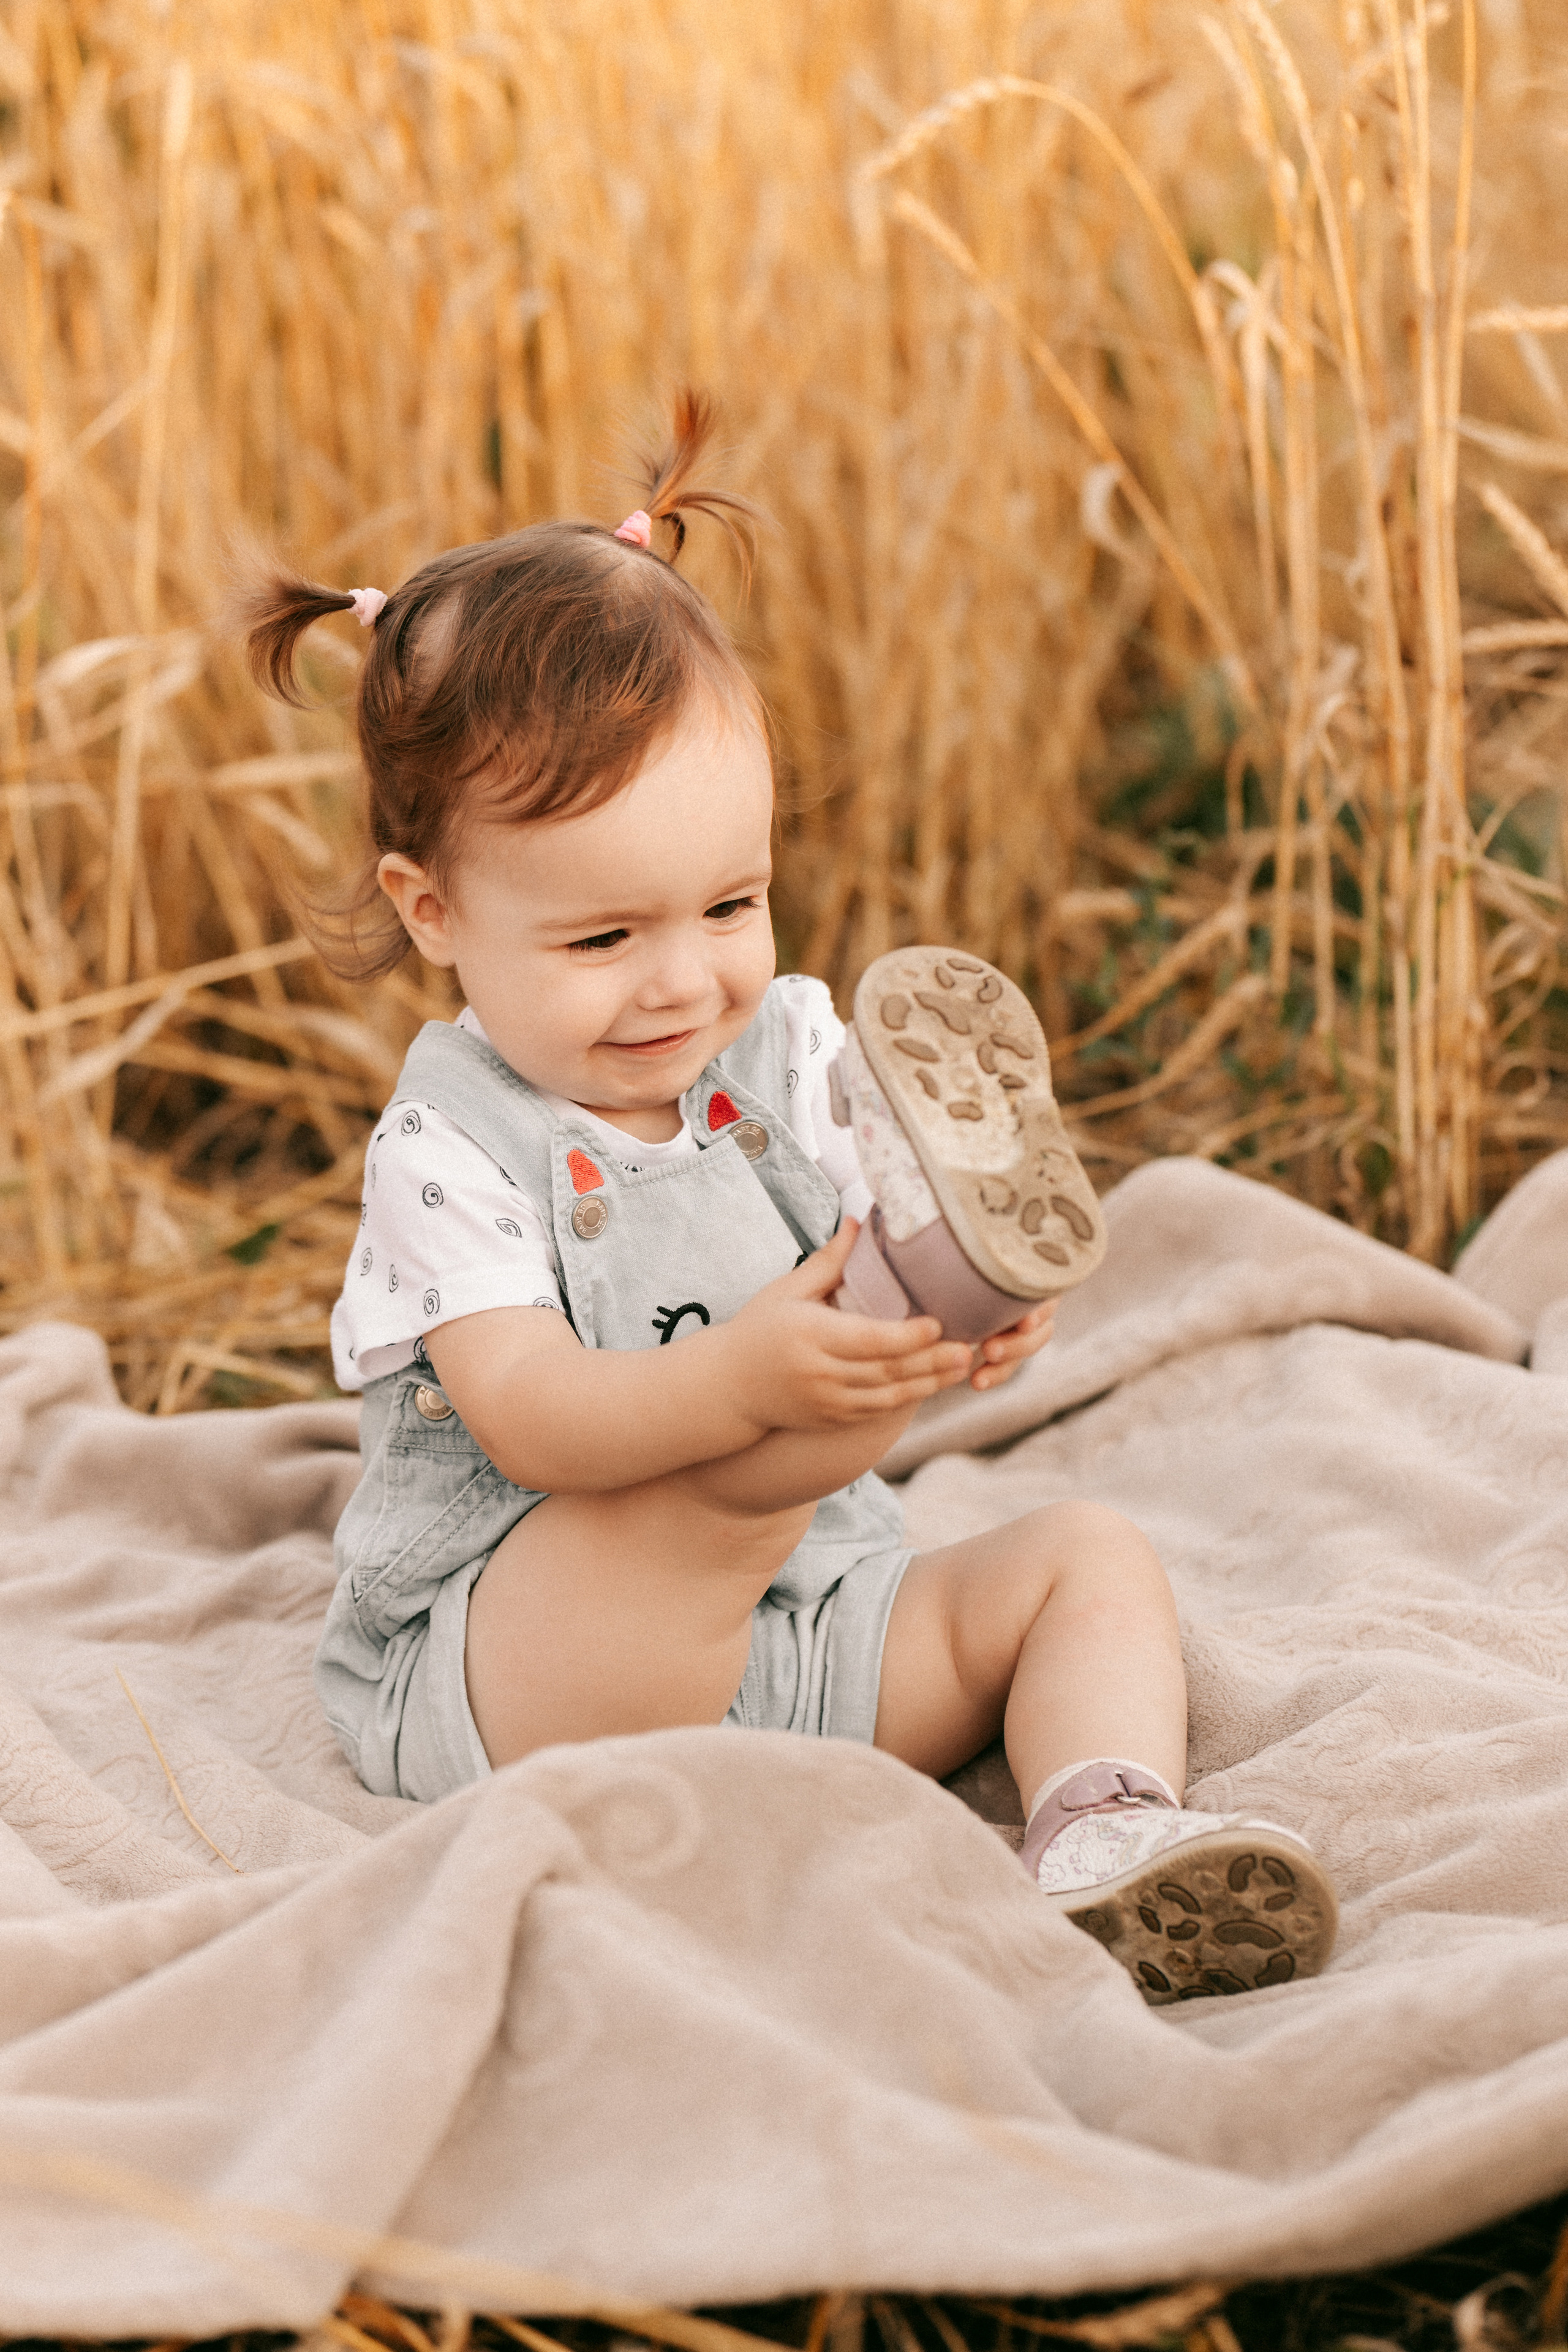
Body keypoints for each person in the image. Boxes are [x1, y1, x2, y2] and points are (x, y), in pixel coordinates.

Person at [239, 392, 1336, 2005]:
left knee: (1082, 1558)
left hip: (809, 1625)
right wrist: (755, 1381)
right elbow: (535, 1420)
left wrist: (966, 1298)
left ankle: (1110, 1833)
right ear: (435, 910)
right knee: (713, 1489)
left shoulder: (794, 1047)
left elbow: (851, 1280)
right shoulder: (451, 1145)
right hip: (533, 1648)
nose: (684, 982)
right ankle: (818, 1418)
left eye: (731, 902)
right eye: (603, 939)